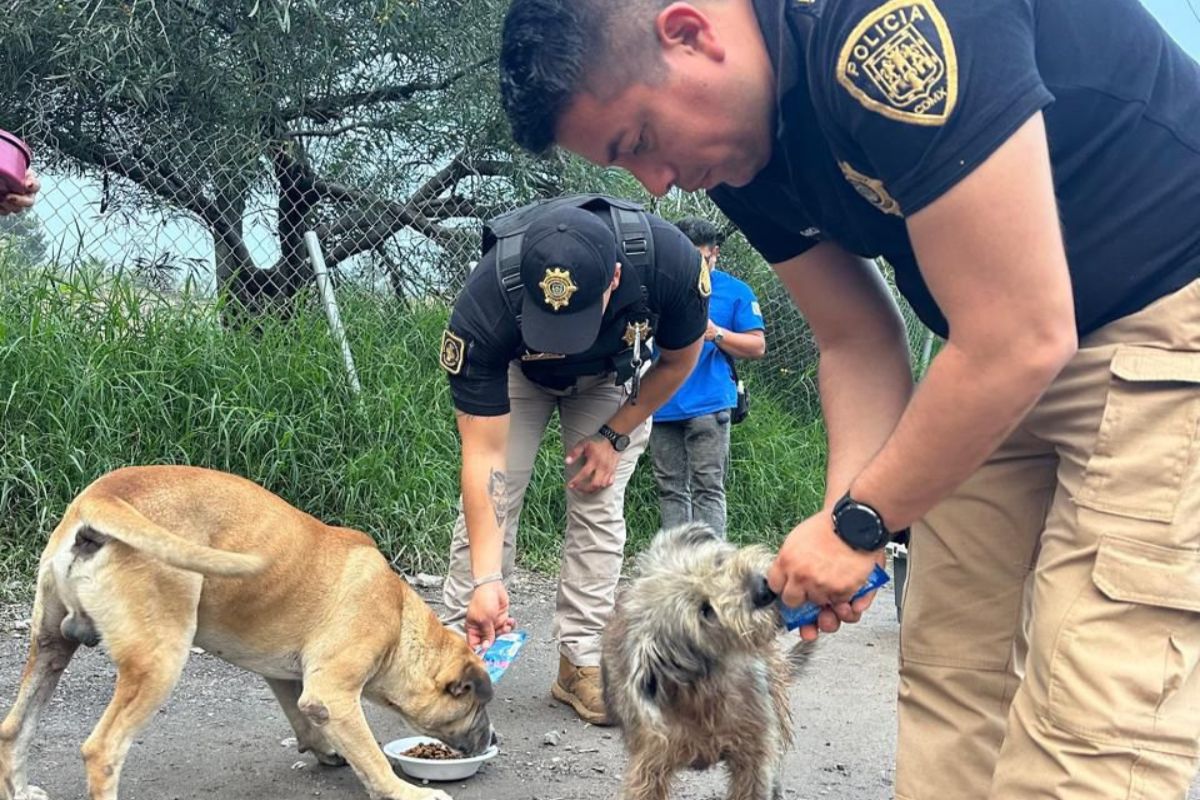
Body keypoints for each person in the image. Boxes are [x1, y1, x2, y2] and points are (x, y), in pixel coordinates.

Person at [497, 0, 1200, 796]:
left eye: (640, 142)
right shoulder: (738, 148)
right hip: (986, 352)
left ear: (689, 33)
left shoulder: (881, 25)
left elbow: (1022, 333)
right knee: (950, 675)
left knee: (1093, 730)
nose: (657, 184)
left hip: (1164, 316)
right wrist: (846, 523)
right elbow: (856, 337)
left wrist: (864, 522)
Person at [440, 194, 708, 725]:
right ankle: (454, 649)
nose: (561, 345)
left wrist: (615, 436)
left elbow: (679, 361)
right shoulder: (486, 302)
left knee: (598, 501)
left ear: (613, 279)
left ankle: (581, 662)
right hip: (520, 375)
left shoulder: (670, 263)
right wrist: (486, 580)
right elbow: (485, 455)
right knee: (501, 492)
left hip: (613, 379)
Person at [650, 216, 765, 538]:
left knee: (708, 487)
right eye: (685, 259)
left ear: (715, 253)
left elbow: (757, 346)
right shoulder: (660, 286)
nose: (694, 267)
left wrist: (716, 334)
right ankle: (675, 566)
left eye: (700, 259)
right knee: (670, 488)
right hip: (662, 403)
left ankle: (712, 568)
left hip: (710, 404)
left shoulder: (736, 291)